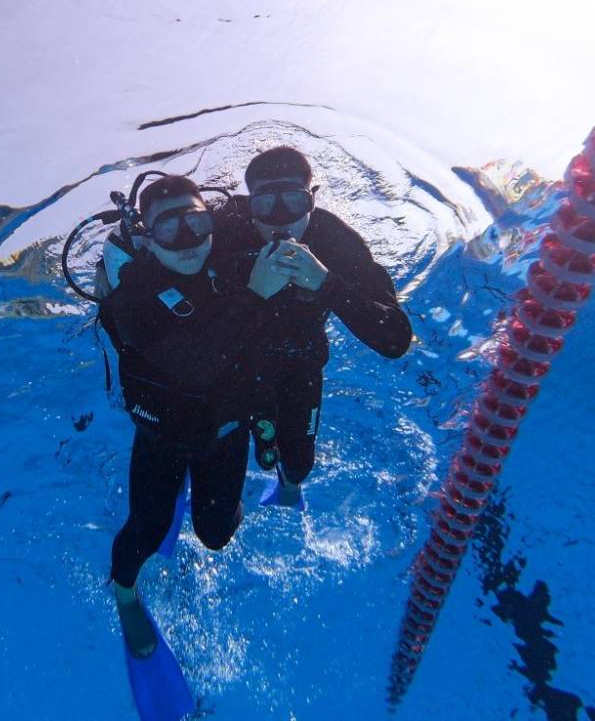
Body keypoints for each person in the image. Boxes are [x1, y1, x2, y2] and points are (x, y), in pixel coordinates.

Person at [99, 175, 287, 661]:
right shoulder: (132, 297)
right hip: (163, 436)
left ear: (212, 223)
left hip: (227, 431)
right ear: (146, 237)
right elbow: (194, 365)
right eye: (168, 229)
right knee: (147, 530)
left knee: (216, 535)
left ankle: (203, 501)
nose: (187, 240)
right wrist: (256, 296)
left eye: (196, 224)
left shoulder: (234, 265)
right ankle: (125, 595)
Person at [213, 146, 413, 508]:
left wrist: (326, 283)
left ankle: (288, 490)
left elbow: (395, 339)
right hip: (233, 360)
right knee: (221, 443)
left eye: (293, 202)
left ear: (312, 200)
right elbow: (168, 240)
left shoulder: (336, 242)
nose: (280, 220)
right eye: (265, 204)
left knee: (299, 462)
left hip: (300, 362)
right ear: (250, 204)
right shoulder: (227, 228)